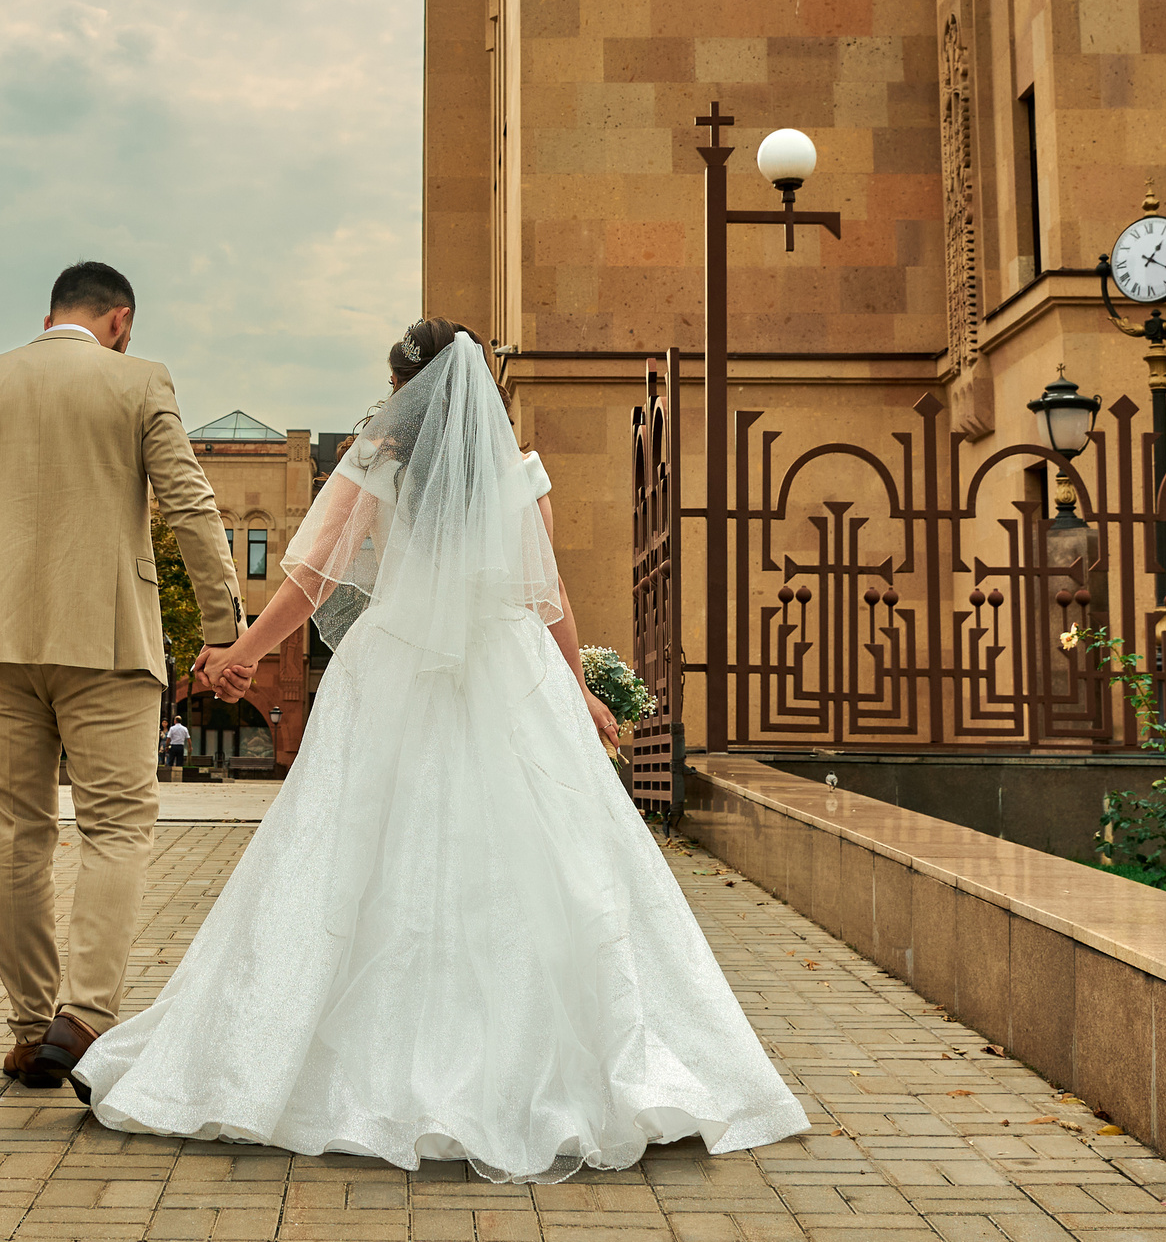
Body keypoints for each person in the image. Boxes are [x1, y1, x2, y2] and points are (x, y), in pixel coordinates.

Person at [72, 319, 810, 1181]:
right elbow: (550, 593)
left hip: (397, 665)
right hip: (509, 667)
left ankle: (312, 1052)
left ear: (403, 389)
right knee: (542, 860)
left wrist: (244, 651)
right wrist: (577, 690)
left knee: (362, 851)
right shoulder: (517, 468)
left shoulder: (375, 457)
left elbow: (309, 577)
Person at [0, 262, 241, 1093]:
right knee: (116, 825)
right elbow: (190, 505)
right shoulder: (138, 382)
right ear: (120, 320)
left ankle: (27, 1029)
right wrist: (227, 628)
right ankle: (85, 1015)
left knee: (15, 831)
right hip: (110, 641)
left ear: (49, 313)